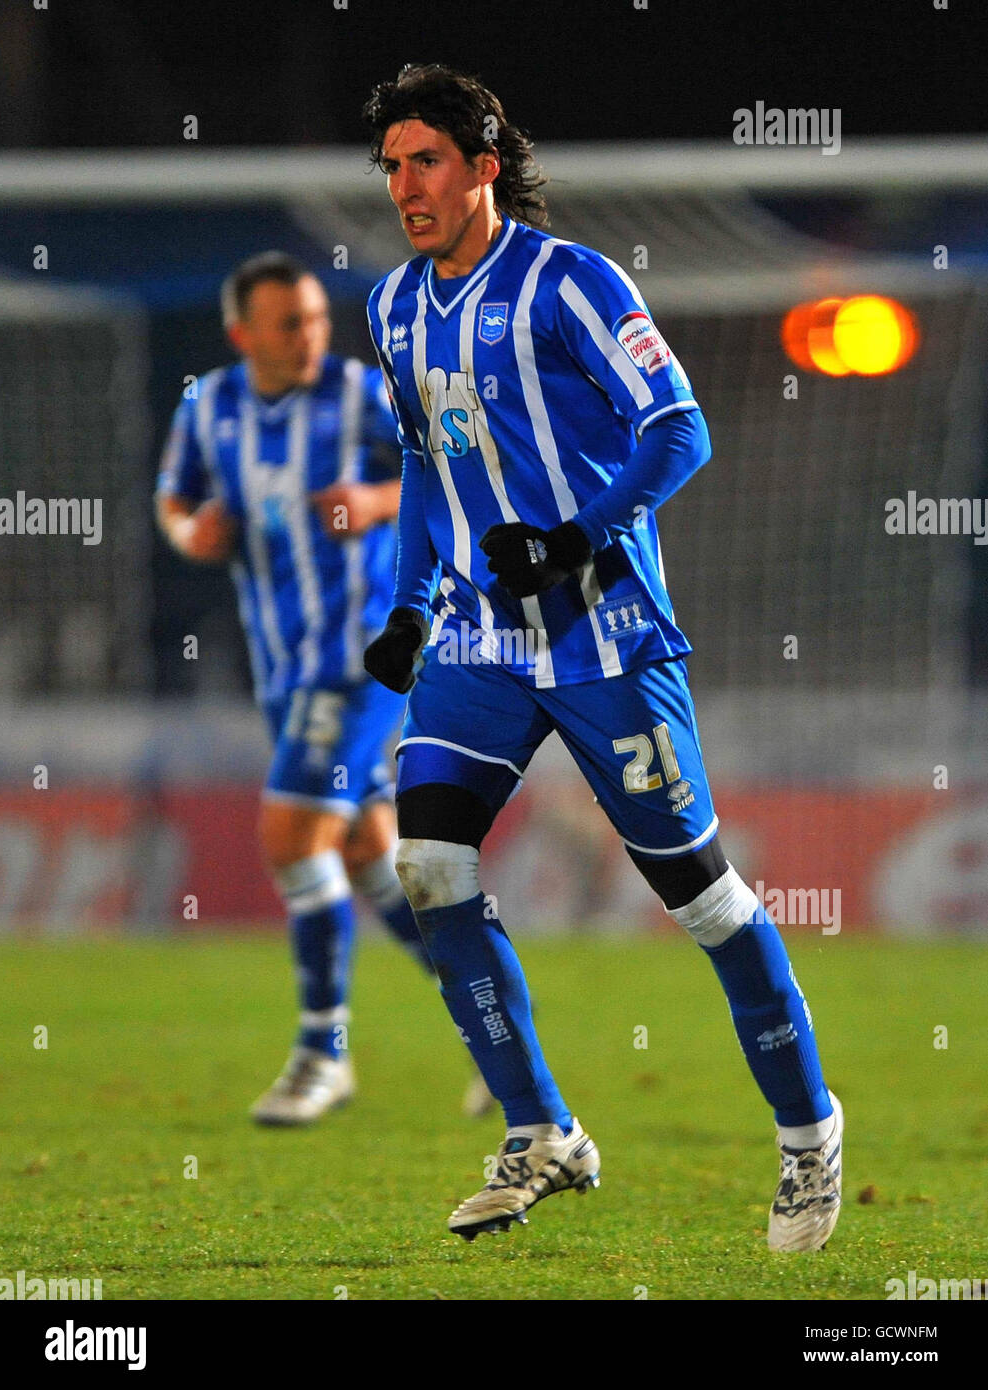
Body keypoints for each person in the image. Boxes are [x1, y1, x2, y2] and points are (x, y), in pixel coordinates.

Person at [361, 65, 843, 1249]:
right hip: (479, 633)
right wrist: (414, 602)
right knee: (428, 861)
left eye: (425, 160)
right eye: (389, 165)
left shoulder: (572, 281)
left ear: (482, 164)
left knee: (703, 900)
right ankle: (542, 1130)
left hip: (602, 630)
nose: (403, 186)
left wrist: (581, 533)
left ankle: (808, 1132)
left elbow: (680, 425)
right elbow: (428, 459)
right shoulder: (394, 306)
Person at [156, 251, 493, 1125]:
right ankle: (496, 1032)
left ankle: (321, 1052)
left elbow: (449, 465)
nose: (310, 334)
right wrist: (193, 533)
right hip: (282, 662)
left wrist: (377, 504)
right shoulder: (211, 404)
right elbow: (175, 499)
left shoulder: (359, 393)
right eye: (288, 323)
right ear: (242, 335)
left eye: (314, 317)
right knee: (369, 858)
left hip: (364, 651)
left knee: (289, 832)